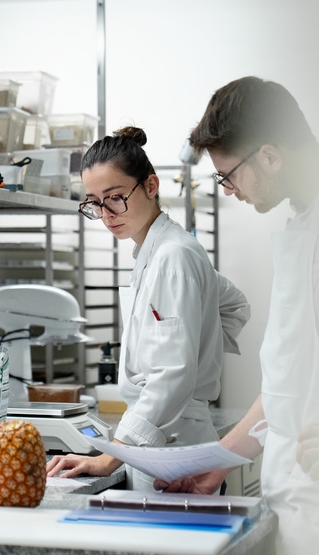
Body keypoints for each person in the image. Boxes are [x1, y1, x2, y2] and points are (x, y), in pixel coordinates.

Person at [154, 77, 319, 555]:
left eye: (228, 175)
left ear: (268, 154)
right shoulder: (305, 219)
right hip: (298, 514)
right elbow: (288, 386)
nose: (227, 190)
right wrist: (220, 458)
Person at [46, 126, 250, 491]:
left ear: (151, 186)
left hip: (174, 450)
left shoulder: (173, 257)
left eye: (115, 197)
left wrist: (113, 454)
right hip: (163, 442)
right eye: (94, 202)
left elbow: (171, 375)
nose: (106, 213)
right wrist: (201, 340)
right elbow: (233, 303)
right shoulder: (155, 252)